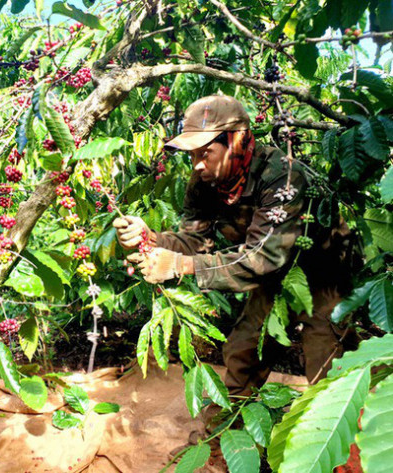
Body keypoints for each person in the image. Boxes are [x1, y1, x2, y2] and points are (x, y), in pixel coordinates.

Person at [113, 95, 359, 452]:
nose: (196, 164)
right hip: (272, 274)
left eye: (204, 152)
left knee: (326, 364)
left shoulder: (281, 175)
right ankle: (229, 438)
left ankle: (335, 450)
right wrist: (151, 240)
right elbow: (194, 239)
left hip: (322, 273)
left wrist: (180, 266)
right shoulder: (205, 181)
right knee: (243, 350)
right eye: (193, 154)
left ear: (239, 141)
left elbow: (265, 255)